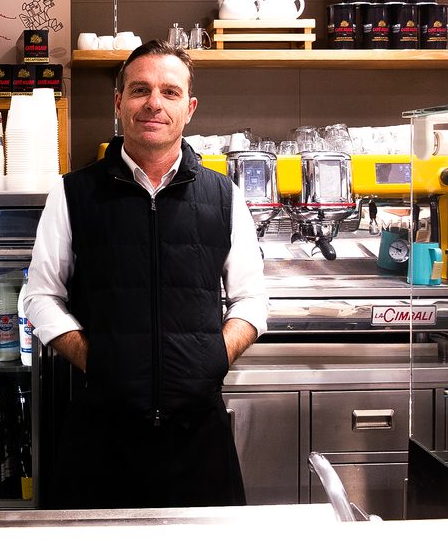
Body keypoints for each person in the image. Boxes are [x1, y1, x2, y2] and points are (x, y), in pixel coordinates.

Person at [22, 39, 268, 509]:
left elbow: (251, 298)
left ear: (189, 108)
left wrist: (214, 356)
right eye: (140, 90)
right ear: (119, 103)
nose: (154, 103)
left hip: (199, 438)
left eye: (170, 92)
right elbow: (40, 296)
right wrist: (96, 360)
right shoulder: (73, 194)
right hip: (101, 438)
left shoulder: (224, 196)